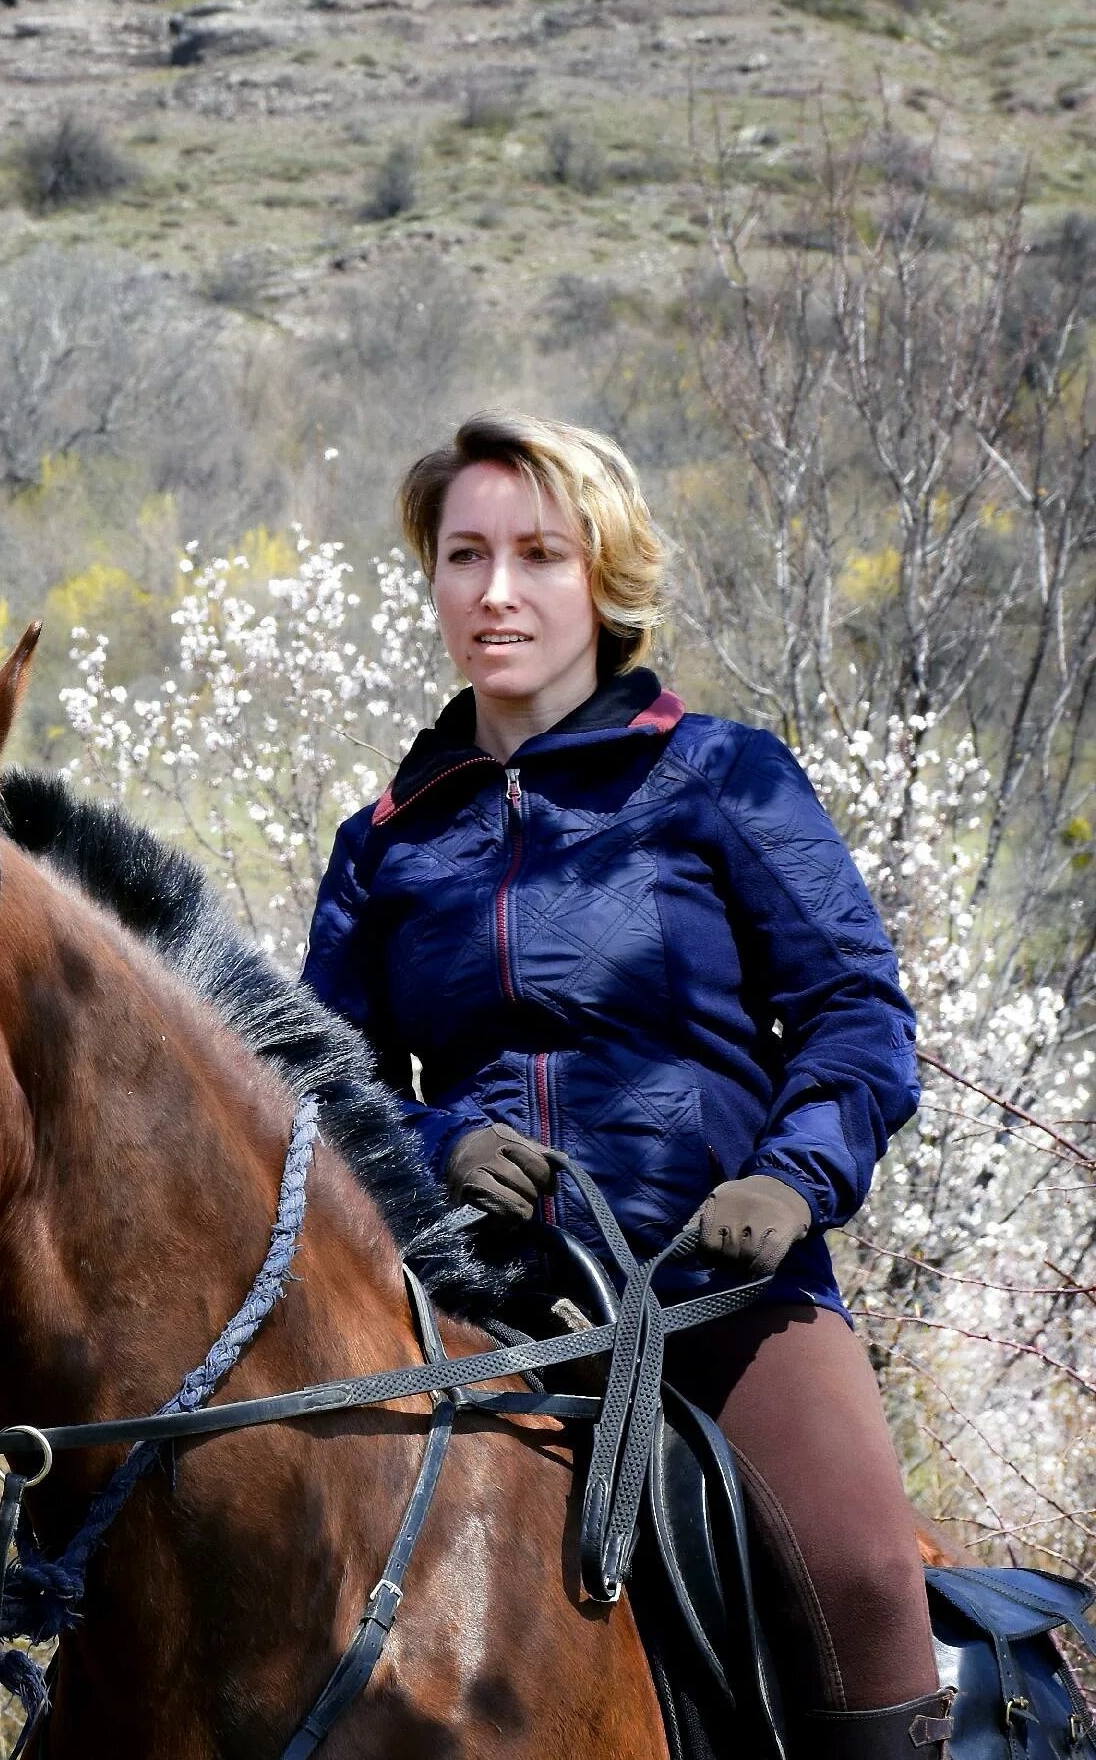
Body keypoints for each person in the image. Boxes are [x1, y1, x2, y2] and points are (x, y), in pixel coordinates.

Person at [301, 409, 953, 1757]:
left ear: (604, 578)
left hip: (714, 1278)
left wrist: (789, 1176)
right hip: (468, 1298)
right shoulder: (382, 843)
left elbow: (858, 1015)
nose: (495, 592)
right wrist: (433, 1146)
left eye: (539, 554)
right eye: (464, 554)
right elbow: (317, 1080)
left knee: (868, 1576)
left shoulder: (722, 777)